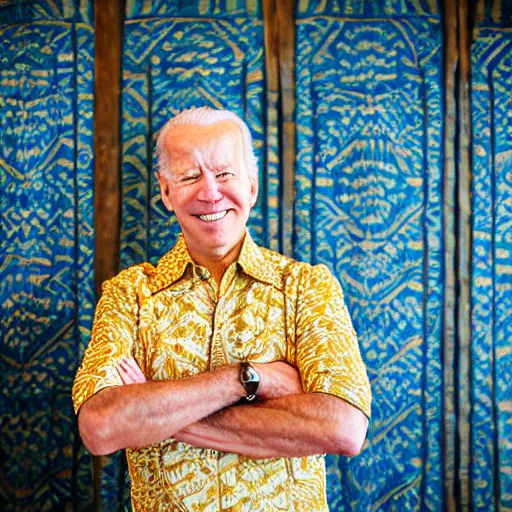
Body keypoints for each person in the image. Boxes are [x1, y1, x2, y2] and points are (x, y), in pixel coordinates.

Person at [72, 106, 371, 511]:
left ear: (251, 184)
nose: (210, 192)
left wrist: (154, 414)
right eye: (190, 176)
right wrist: (248, 379)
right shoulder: (129, 294)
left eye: (225, 173)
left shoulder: (307, 287)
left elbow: (343, 428)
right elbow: (102, 426)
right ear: (165, 191)